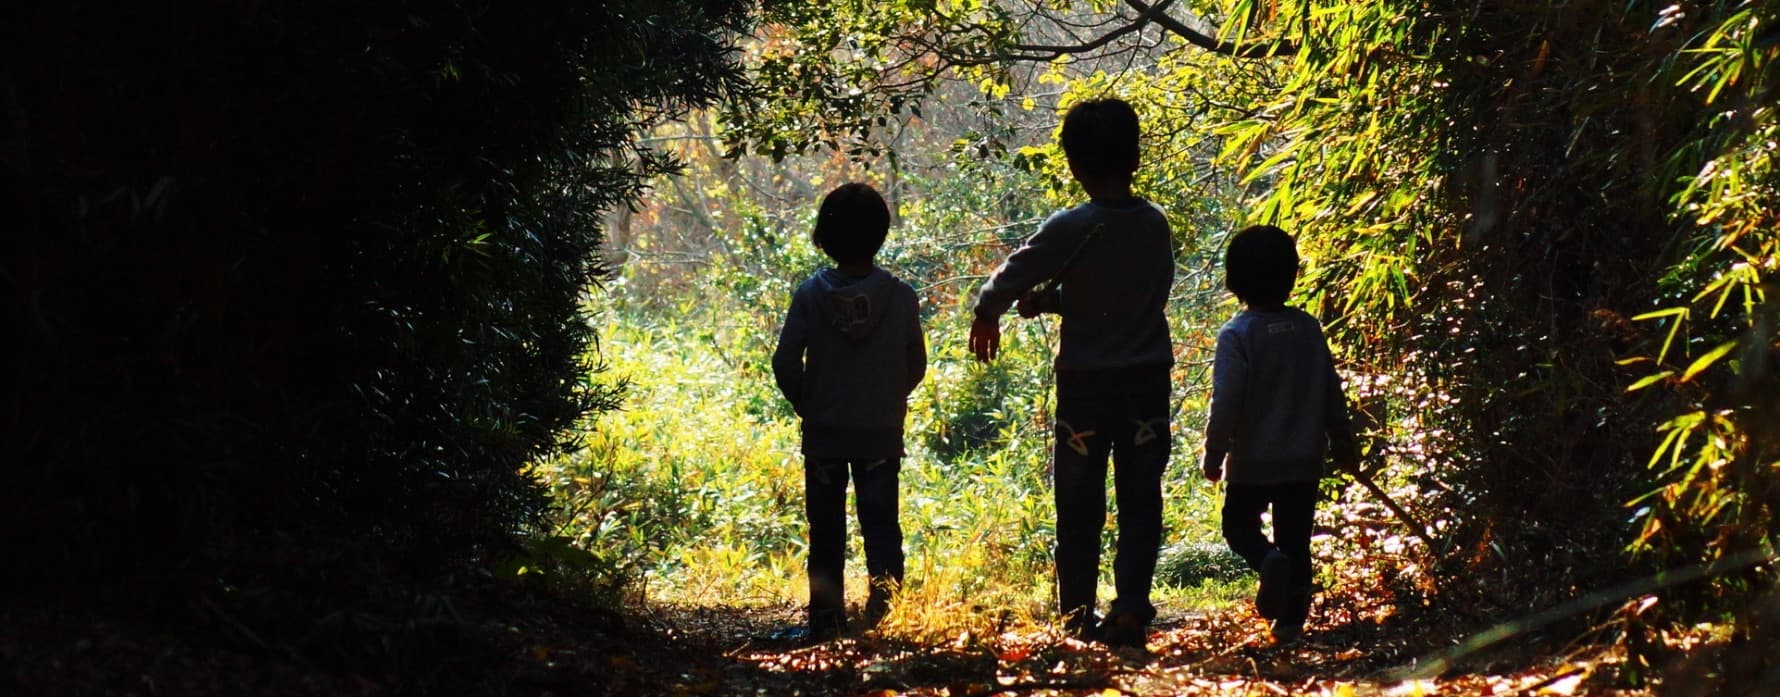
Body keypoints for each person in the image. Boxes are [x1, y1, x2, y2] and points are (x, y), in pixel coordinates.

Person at [968, 98, 1175, 647]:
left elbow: (1013, 274)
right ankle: (1131, 605)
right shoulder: (1154, 224)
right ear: (1134, 158)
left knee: (1079, 501)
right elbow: (1137, 298)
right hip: (1148, 380)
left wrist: (987, 311)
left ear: (1074, 165)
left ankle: (1076, 612)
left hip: (1086, 384)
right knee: (1140, 496)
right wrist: (1058, 301)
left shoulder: (1071, 225)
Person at [772, 182, 927, 641]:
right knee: (881, 524)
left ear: (824, 236)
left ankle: (825, 618)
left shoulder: (810, 294)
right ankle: (886, 614)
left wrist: (807, 403)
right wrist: (888, 396)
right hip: (879, 430)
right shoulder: (900, 296)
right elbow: (915, 362)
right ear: (881, 233)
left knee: (825, 528)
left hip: (825, 432)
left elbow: (784, 361)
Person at [1200, 224, 1358, 644]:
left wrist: (1214, 452)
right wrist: (1343, 440)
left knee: (1238, 526)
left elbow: (1227, 399)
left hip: (1252, 460)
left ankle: (1266, 559)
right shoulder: (1307, 329)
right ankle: (1290, 625)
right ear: (1292, 275)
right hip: (1303, 459)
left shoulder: (1237, 334)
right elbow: (1330, 388)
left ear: (1235, 280)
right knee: (1297, 540)